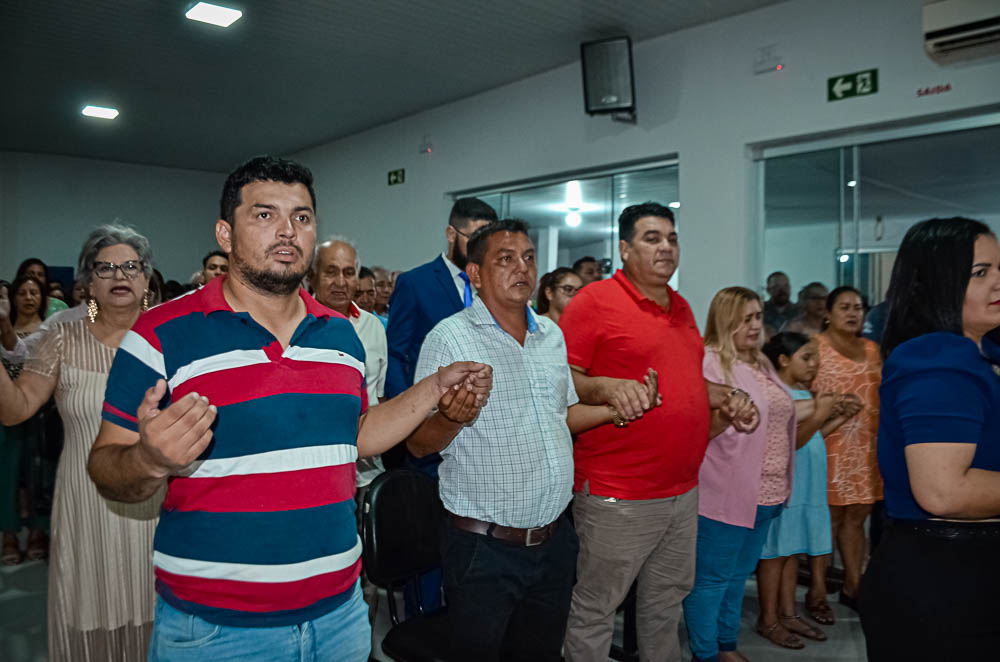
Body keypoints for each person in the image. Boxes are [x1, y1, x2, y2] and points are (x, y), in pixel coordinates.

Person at [85, 156, 492, 662]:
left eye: (301, 217)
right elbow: (105, 464)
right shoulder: (161, 333)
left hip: (340, 618)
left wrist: (433, 388)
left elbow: (357, 434)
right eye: (264, 215)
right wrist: (147, 459)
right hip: (217, 631)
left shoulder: (341, 335)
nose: (286, 231)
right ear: (225, 234)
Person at [410, 219, 657, 661]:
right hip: (484, 548)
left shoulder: (551, 336)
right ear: (476, 274)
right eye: (505, 259)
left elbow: (559, 417)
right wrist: (451, 418)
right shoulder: (449, 339)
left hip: (553, 541)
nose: (521, 268)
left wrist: (614, 410)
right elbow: (418, 444)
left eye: (528, 258)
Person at [560, 203, 759, 662]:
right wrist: (609, 387)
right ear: (625, 249)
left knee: (664, 604)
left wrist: (725, 396)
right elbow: (562, 382)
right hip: (619, 492)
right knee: (596, 608)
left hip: (683, 490)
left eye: (671, 237)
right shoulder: (594, 302)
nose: (666, 247)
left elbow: (686, 382)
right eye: (652, 238)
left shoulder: (682, 306)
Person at [0, 225, 160, 660]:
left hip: (155, 501)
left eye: (130, 266)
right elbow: (15, 409)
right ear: (87, 282)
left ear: (146, 278)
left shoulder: (168, 340)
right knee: (89, 608)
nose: (118, 275)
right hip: (84, 499)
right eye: (104, 267)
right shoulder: (62, 337)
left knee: (155, 606)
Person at [859, 217, 1000, 660]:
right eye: (980, 273)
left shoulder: (981, 354)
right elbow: (943, 490)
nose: (998, 281)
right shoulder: (936, 357)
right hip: (945, 580)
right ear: (936, 282)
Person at [681, 287, 796, 662]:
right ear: (725, 320)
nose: (755, 325)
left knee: (736, 579)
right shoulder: (711, 363)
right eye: (745, 318)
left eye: (758, 316)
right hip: (727, 492)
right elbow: (698, 428)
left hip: (768, 493)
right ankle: (705, 654)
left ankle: (726, 645)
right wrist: (729, 414)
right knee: (711, 581)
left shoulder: (761, 362)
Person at [756, 333, 862, 646]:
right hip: (785, 487)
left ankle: (788, 613)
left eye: (816, 357)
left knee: (791, 551)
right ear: (783, 360)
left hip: (806, 488)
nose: (814, 364)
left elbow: (814, 435)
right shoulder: (778, 394)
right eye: (806, 357)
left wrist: (839, 415)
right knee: (775, 554)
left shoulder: (802, 393)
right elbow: (794, 442)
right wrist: (820, 410)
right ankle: (769, 619)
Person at [385, 196, 498, 472]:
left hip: (483, 427)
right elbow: (396, 354)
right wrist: (409, 416)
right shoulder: (416, 283)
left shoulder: (493, 287)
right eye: (473, 238)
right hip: (430, 420)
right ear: (451, 234)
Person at [310, 237, 389, 626]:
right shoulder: (295, 323)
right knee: (323, 568)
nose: (341, 281)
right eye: (331, 271)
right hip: (317, 472)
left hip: (365, 470)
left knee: (366, 571)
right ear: (312, 275)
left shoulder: (373, 327)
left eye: (349, 272)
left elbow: (378, 395)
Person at [811, 285, 881, 610]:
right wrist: (834, 407)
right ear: (828, 313)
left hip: (865, 445)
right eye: (844, 307)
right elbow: (798, 393)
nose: (853, 313)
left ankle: (855, 585)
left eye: (858, 307)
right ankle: (818, 590)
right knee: (829, 520)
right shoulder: (816, 347)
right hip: (828, 443)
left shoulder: (871, 349)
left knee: (857, 517)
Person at [763, 271, 799, 338]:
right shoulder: (760, 310)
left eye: (786, 286)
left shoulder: (799, 312)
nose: (782, 290)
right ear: (768, 290)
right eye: (777, 286)